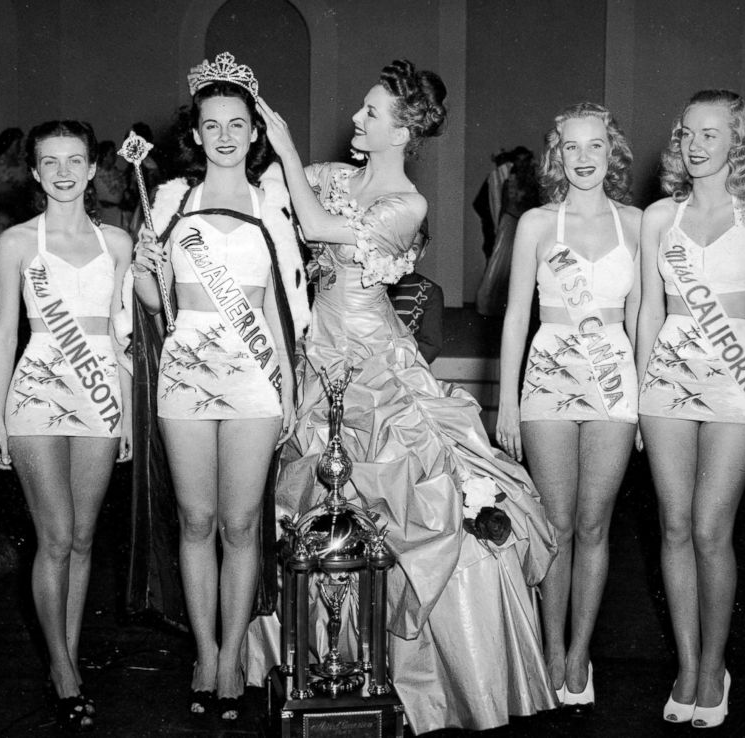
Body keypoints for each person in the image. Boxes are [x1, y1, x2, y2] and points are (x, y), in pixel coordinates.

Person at [250, 59, 558, 733]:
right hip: (320, 351)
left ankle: (433, 677)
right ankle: (324, 664)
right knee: (315, 501)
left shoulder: (406, 205)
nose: (356, 120)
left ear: (403, 131)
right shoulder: (337, 179)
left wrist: (287, 148)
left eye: (370, 113)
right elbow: (268, 205)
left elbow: (317, 225)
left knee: (412, 497)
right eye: (361, 109)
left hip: (371, 359)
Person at [130, 52, 308, 722]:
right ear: (197, 134)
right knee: (197, 519)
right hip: (185, 375)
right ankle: (204, 649)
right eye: (214, 124)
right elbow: (154, 304)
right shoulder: (172, 199)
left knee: (240, 522)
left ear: (254, 132)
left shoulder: (272, 204)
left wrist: (287, 388)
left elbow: (278, 311)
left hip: (254, 379)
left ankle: (234, 653)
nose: (227, 134)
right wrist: (146, 269)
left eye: (239, 123)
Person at [636, 89, 745, 728]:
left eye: (710, 134)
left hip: (737, 379)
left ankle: (714, 666)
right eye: (688, 133)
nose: (695, 145)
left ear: (737, 141)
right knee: (673, 526)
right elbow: (648, 308)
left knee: (709, 527)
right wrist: (642, 387)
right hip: (667, 376)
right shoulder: (656, 217)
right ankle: (690, 664)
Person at [497, 102, 641, 712]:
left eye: (596, 147)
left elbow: (640, 319)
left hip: (614, 380)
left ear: (613, 155)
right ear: (558, 155)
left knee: (594, 525)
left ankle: (580, 651)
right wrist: (506, 401)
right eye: (573, 148)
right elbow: (513, 320)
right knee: (554, 526)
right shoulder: (535, 223)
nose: (584, 159)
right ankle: (550, 650)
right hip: (549, 376)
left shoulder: (637, 222)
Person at [0, 120, 133, 732]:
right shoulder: (18, 242)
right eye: (51, 162)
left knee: (82, 538)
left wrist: (123, 408)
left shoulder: (118, 244)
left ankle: (66, 656)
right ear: (35, 171)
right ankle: (62, 668)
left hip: (99, 392)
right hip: (37, 394)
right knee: (53, 536)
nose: (65, 172)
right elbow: (2, 333)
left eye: (75, 160)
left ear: (93, 166)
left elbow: (123, 337)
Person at [475, 146, 539, 316]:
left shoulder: (534, 182)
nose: (523, 164)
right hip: (510, 224)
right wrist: (500, 228)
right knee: (501, 265)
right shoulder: (507, 181)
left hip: (525, 225)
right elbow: (504, 207)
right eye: (520, 160)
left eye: (526, 160)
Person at [387, 219, 445, 363]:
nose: (406, 254)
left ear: (423, 252)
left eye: (414, 248)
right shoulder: (374, 284)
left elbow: (431, 345)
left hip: (409, 369)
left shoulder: (430, 292)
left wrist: (404, 366)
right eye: (401, 245)